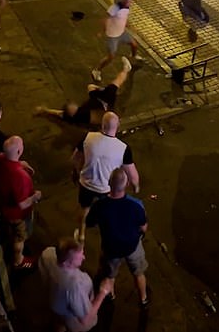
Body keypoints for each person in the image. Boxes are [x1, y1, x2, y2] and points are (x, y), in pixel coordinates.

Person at [72, 110, 140, 243]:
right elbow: (132, 174)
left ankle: (81, 234)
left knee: (84, 208)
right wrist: (136, 186)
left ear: (102, 125)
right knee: (107, 211)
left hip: (86, 183)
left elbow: (74, 158)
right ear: (118, 126)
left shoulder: (87, 138)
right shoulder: (123, 148)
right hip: (106, 188)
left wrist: (77, 170)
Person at [86, 167, 149, 306]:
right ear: (126, 185)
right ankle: (143, 299)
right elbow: (143, 227)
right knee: (139, 273)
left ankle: (110, 296)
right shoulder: (136, 205)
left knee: (109, 275)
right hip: (132, 246)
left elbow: (89, 223)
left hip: (111, 248)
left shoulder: (99, 206)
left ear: (109, 183)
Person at [35, 56, 132, 126]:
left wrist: (45, 110)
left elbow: (58, 113)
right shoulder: (82, 116)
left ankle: (123, 72)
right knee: (116, 83)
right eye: (71, 108)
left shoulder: (80, 110)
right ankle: (126, 69)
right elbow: (58, 113)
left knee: (91, 86)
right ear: (71, 113)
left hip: (98, 99)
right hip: (104, 103)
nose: (73, 105)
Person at [42, 238, 111, 332]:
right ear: (66, 263)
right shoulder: (74, 286)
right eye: (80, 256)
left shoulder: (48, 254)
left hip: (57, 306)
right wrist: (103, 293)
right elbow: (85, 320)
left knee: (59, 323)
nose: (84, 257)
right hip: (72, 317)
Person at [0, 135, 41, 268]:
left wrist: (19, 163)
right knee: (19, 237)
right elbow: (22, 203)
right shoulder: (20, 177)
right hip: (17, 214)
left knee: (10, 230)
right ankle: (18, 261)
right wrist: (35, 197)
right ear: (19, 151)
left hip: (2, 205)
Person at [91, 0, 141, 82]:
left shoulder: (127, 7)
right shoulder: (115, 7)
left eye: (130, 1)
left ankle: (133, 55)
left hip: (122, 33)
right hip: (112, 36)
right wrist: (102, 31)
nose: (128, 3)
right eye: (127, 1)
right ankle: (97, 70)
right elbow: (105, 19)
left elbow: (124, 18)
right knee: (111, 57)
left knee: (134, 45)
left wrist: (128, 25)